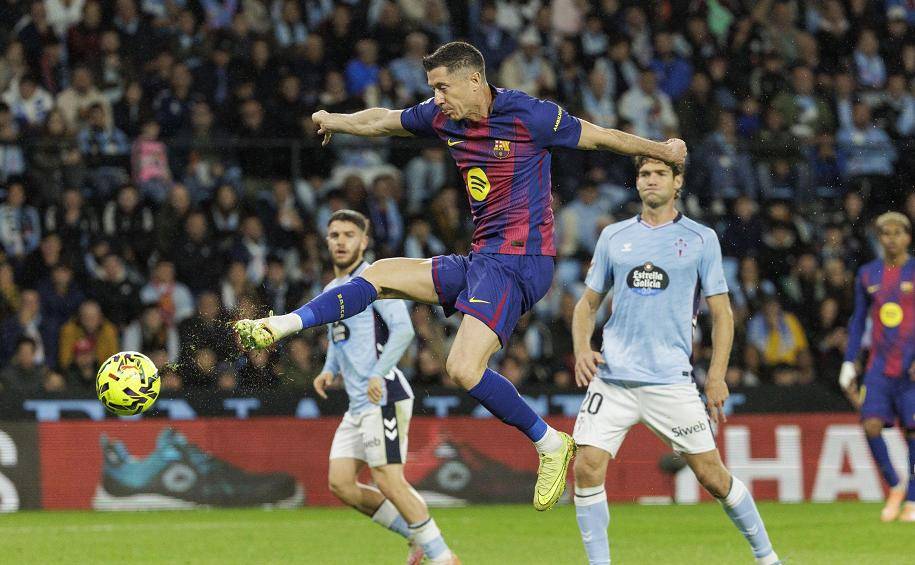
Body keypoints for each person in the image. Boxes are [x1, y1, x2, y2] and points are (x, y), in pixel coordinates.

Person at [235, 41, 686, 511]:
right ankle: (282, 324)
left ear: (474, 80)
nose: (437, 98)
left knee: (463, 367)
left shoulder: (528, 115)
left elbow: (600, 136)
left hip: (520, 260)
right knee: (379, 273)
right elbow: (383, 120)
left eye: (442, 87)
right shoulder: (442, 116)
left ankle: (550, 443)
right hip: (483, 260)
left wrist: (663, 151)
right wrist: (335, 120)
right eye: (433, 89)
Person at [570, 157, 780, 565]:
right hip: (613, 379)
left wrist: (716, 376)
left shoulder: (701, 238)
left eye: (660, 174)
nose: (651, 180)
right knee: (587, 467)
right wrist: (582, 349)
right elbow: (587, 304)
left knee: (712, 477)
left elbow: (722, 314)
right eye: (644, 174)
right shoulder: (614, 236)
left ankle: (768, 557)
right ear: (637, 182)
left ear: (677, 182)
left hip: (670, 381)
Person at [313, 210, 456, 565]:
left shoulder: (377, 281)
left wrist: (379, 373)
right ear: (327, 241)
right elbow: (338, 336)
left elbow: (404, 330)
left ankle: (443, 557)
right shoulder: (331, 290)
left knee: (389, 481)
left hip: (384, 394)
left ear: (364, 242)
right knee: (341, 483)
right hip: (358, 403)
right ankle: (416, 535)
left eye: (349, 235)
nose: (341, 241)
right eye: (335, 235)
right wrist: (328, 370)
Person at [839, 211, 915, 522]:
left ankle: (912, 500)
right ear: (879, 238)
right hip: (878, 367)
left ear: (908, 237)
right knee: (870, 425)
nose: (891, 239)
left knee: (913, 431)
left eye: (897, 233)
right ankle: (896, 485)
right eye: (886, 233)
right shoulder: (868, 274)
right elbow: (858, 320)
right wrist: (849, 360)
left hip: (910, 367)